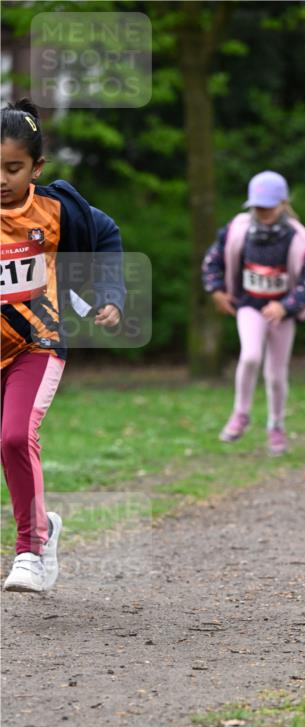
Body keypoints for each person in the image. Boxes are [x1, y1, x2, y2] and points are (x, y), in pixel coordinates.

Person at [1, 99, 125, 593]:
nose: (2, 179)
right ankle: (46, 527)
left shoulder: (56, 210)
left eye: (12, 168)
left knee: (13, 437)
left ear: (36, 167)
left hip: (38, 343)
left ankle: (30, 549)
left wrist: (110, 295)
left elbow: (108, 232)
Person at [202, 171, 305, 455]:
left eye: (268, 206)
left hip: (281, 313)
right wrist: (216, 290)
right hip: (249, 306)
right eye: (258, 206)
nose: (263, 212)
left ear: (283, 203)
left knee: (277, 375)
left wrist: (286, 306)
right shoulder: (238, 230)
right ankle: (240, 413)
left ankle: (276, 426)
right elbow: (213, 260)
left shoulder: (300, 238)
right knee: (251, 355)